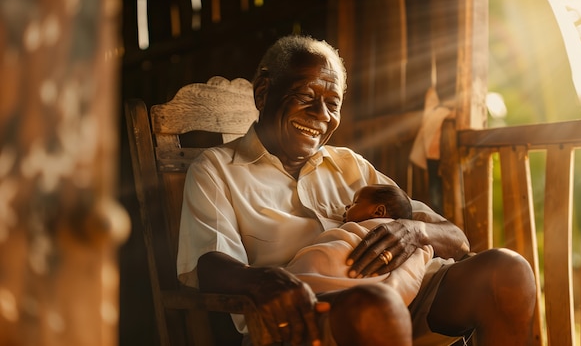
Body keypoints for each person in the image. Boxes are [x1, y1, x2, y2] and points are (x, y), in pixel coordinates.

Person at [177, 35, 537, 346]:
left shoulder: (350, 165)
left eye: (332, 104)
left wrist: (415, 230)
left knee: (506, 271)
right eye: (306, 95)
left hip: (406, 295)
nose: (321, 114)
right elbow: (207, 263)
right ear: (264, 92)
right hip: (308, 316)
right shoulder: (217, 169)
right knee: (375, 306)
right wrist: (264, 279)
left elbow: (456, 239)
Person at [285, 184, 441, 308]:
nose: (346, 207)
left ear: (379, 212)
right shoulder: (358, 229)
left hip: (363, 282)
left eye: (354, 203)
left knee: (319, 260)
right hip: (372, 298)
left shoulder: (397, 232)